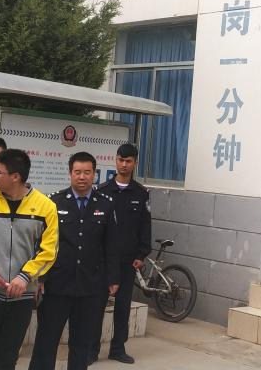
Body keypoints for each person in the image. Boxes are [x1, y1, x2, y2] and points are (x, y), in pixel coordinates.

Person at [0, 149, 58, 370]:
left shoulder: (46, 207)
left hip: (21, 297)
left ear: (15, 176)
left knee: (8, 356)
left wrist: (25, 277)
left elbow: (49, 251)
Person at [31, 152, 120, 370]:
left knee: (82, 344)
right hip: (56, 285)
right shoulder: (54, 202)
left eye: (87, 172)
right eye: (77, 172)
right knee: (46, 340)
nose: (82, 177)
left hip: (90, 286)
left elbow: (111, 245)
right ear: (70, 173)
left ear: (94, 174)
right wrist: (40, 277)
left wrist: (113, 278)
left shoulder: (106, 204)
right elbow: (43, 244)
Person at [89, 144, 151, 364]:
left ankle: (118, 348)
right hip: (103, 260)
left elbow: (145, 226)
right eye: (121, 160)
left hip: (127, 261)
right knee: (97, 306)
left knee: (123, 307)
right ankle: (91, 350)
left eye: (128, 161)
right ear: (115, 161)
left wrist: (141, 254)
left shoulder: (141, 193)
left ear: (135, 163)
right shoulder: (101, 191)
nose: (124, 165)